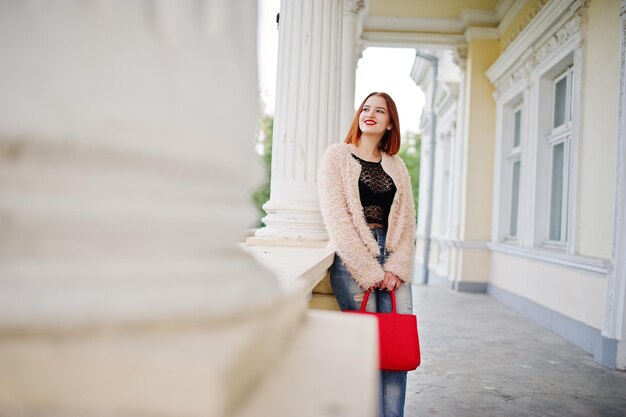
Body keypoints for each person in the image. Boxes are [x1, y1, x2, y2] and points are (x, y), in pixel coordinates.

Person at [317, 92, 416, 417]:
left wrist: (397, 268)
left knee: (395, 349)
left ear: (390, 124)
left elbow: (406, 221)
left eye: (380, 111)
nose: (370, 114)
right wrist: (371, 272)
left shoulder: (396, 166)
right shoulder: (337, 157)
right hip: (353, 259)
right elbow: (337, 219)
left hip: (392, 256)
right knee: (366, 350)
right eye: (366, 108)